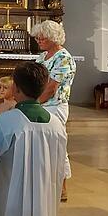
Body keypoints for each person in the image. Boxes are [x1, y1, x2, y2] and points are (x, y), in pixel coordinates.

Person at [0, 62, 67, 216]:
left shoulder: (4, 122)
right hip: (43, 203)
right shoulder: (57, 126)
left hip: (8, 203)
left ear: (15, 88)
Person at [31, 20, 76, 201]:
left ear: (53, 37)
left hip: (54, 106)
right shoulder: (43, 57)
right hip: (40, 105)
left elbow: (51, 87)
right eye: (38, 36)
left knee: (57, 146)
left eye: (43, 36)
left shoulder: (63, 57)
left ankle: (62, 187)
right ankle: (44, 184)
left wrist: (33, 103)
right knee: (41, 147)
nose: (39, 39)